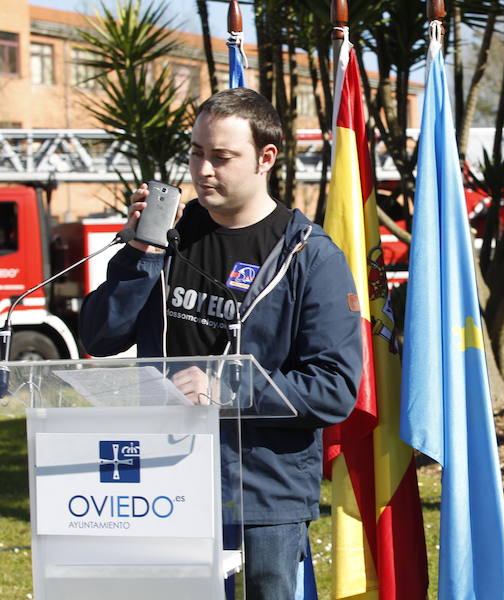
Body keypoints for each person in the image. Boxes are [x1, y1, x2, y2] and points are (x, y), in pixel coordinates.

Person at [80, 88, 362, 599]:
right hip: (164, 481)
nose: (203, 170)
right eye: (195, 152)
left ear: (266, 158)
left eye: (222, 157)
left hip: (263, 494)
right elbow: (101, 334)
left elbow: (334, 387)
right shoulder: (168, 236)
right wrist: (141, 251)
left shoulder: (310, 256)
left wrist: (228, 387)